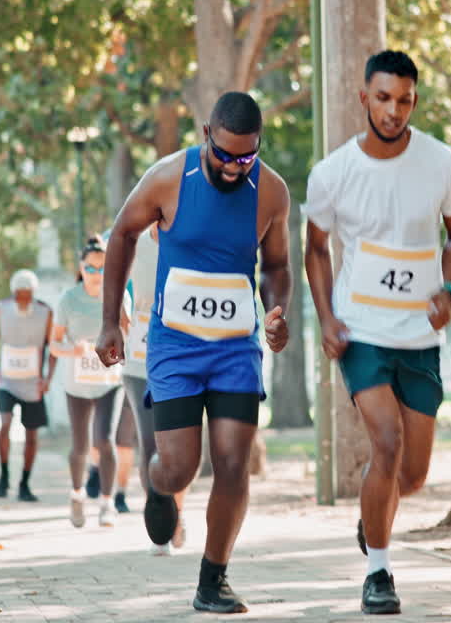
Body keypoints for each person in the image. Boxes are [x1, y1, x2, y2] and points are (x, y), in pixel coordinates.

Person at [96, 91, 291, 613]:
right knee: (182, 467)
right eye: (224, 154)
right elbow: (122, 234)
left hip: (235, 351)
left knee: (233, 462)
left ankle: (214, 578)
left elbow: (276, 267)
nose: (233, 167)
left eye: (245, 157)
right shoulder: (168, 178)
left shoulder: (270, 191)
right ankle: (160, 488)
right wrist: (110, 318)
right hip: (175, 349)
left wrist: (276, 311)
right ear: (207, 133)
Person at [302, 50, 451, 615]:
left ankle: (372, 518)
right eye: (382, 98)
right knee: (386, 442)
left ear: (414, 101)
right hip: (362, 331)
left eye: (403, 100)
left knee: (415, 475)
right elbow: (316, 249)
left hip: (420, 337)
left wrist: (449, 292)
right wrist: (327, 318)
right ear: (363, 98)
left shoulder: (442, 163)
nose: (393, 110)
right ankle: (379, 572)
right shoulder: (333, 174)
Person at [120, 223, 188, 554]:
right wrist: (118, 306)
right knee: (150, 445)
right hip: (138, 360)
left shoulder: (192, 238)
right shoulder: (132, 241)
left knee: (179, 447)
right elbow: (114, 279)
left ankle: (178, 512)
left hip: (181, 358)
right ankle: (160, 526)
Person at [52, 236, 129, 528]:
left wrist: (112, 350)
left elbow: (128, 336)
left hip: (109, 381)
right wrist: (73, 349)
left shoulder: (120, 296)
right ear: (81, 268)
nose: (97, 275)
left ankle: (108, 504)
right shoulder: (68, 300)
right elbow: (54, 344)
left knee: (104, 440)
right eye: (91, 268)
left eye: (102, 268)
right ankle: (76, 494)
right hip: (77, 384)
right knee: (81, 445)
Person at [0, 269, 54, 503]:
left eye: (27, 295)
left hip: (33, 383)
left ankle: (25, 482)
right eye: (19, 294)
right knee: (5, 424)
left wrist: (48, 378)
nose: (22, 299)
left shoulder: (46, 312)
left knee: (31, 434)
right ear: (13, 293)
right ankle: (4, 476)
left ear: (33, 293)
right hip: (7, 380)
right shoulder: (0, 310)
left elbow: (52, 346)